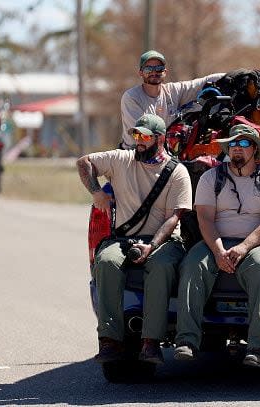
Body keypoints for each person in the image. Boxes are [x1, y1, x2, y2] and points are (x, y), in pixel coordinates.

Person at [76, 113, 192, 365]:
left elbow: (174, 218)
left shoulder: (177, 172)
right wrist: (97, 192)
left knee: (160, 266)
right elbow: (84, 162)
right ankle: (110, 341)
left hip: (163, 240)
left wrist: (151, 246)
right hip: (124, 239)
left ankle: (150, 343)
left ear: (160, 139)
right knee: (105, 261)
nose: (137, 141)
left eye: (144, 136)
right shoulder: (122, 159)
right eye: (135, 135)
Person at [173, 123, 260, 368]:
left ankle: (256, 346)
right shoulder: (211, 177)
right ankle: (187, 340)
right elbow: (204, 217)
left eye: (244, 143)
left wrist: (243, 248)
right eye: (233, 144)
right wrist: (218, 251)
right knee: (193, 264)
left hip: (256, 243)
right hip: (216, 241)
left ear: (255, 150)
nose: (237, 148)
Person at [120, 50, 224, 149]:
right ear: (141, 72)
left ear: (165, 72)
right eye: (148, 69)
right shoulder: (131, 97)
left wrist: (232, 76)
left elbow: (204, 81)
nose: (154, 72)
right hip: (135, 155)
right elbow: (142, 137)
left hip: (164, 155)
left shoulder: (173, 91)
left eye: (159, 68)